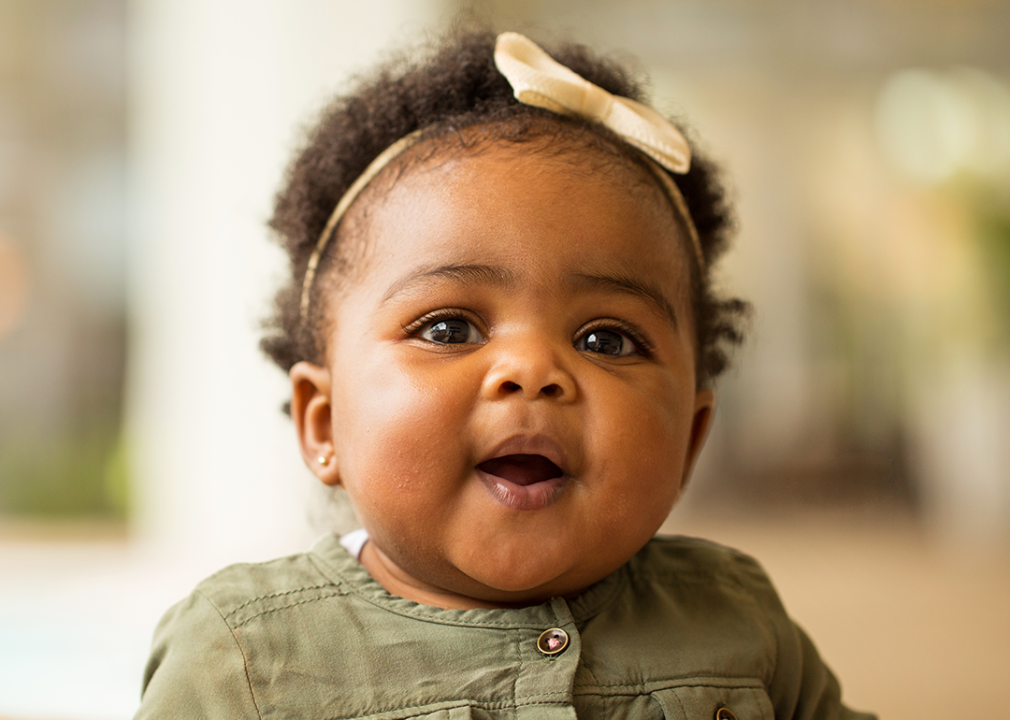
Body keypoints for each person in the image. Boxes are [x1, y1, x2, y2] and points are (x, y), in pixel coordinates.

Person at [135, 28, 875, 720]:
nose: (533, 369)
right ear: (324, 423)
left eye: (608, 338)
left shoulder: (733, 615)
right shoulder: (246, 656)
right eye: (449, 328)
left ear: (689, 438)